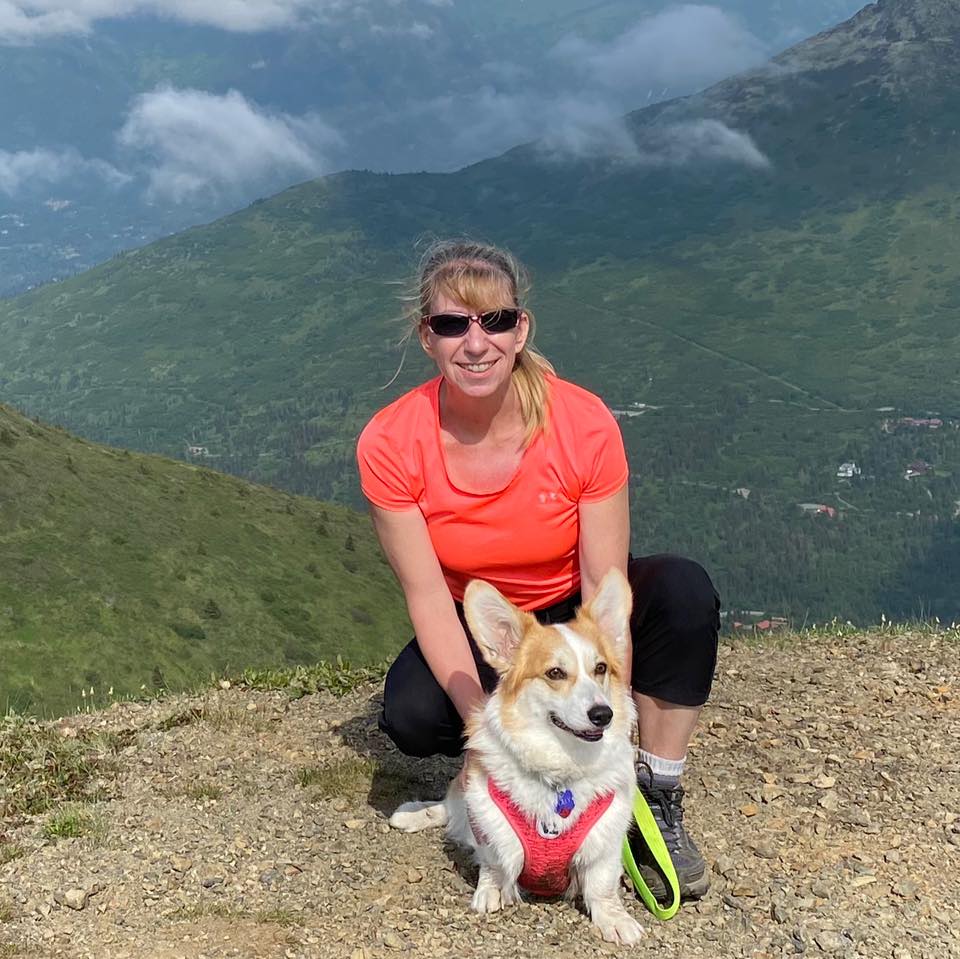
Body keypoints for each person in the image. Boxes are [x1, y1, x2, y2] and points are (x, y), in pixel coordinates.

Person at [356, 239, 720, 901]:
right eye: (451, 324)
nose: (475, 342)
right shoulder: (390, 442)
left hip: (573, 609)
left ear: (521, 329)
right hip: (488, 621)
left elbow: (604, 594)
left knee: (683, 593)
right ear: (426, 337)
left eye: (494, 320)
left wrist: (612, 726)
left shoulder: (581, 423)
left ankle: (654, 792)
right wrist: (482, 732)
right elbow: (431, 599)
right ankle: (499, 782)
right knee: (411, 713)